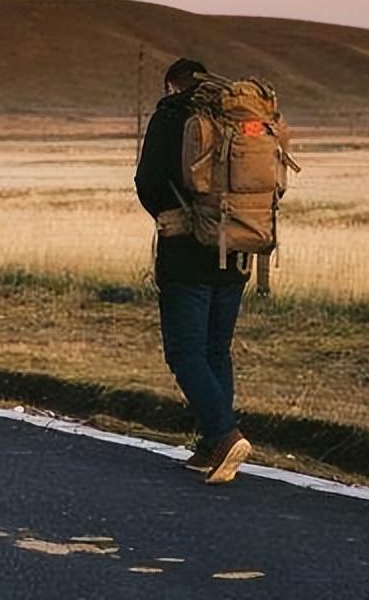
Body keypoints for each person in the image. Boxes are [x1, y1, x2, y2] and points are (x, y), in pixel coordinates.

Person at [134, 57, 253, 484]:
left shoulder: (171, 115)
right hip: (237, 249)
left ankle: (224, 435)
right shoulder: (235, 116)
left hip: (186, 251)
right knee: (215, 350)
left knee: (185, 353)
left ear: (171, 85)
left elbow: (147, 181)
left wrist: (169, 218)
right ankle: (209, 446)